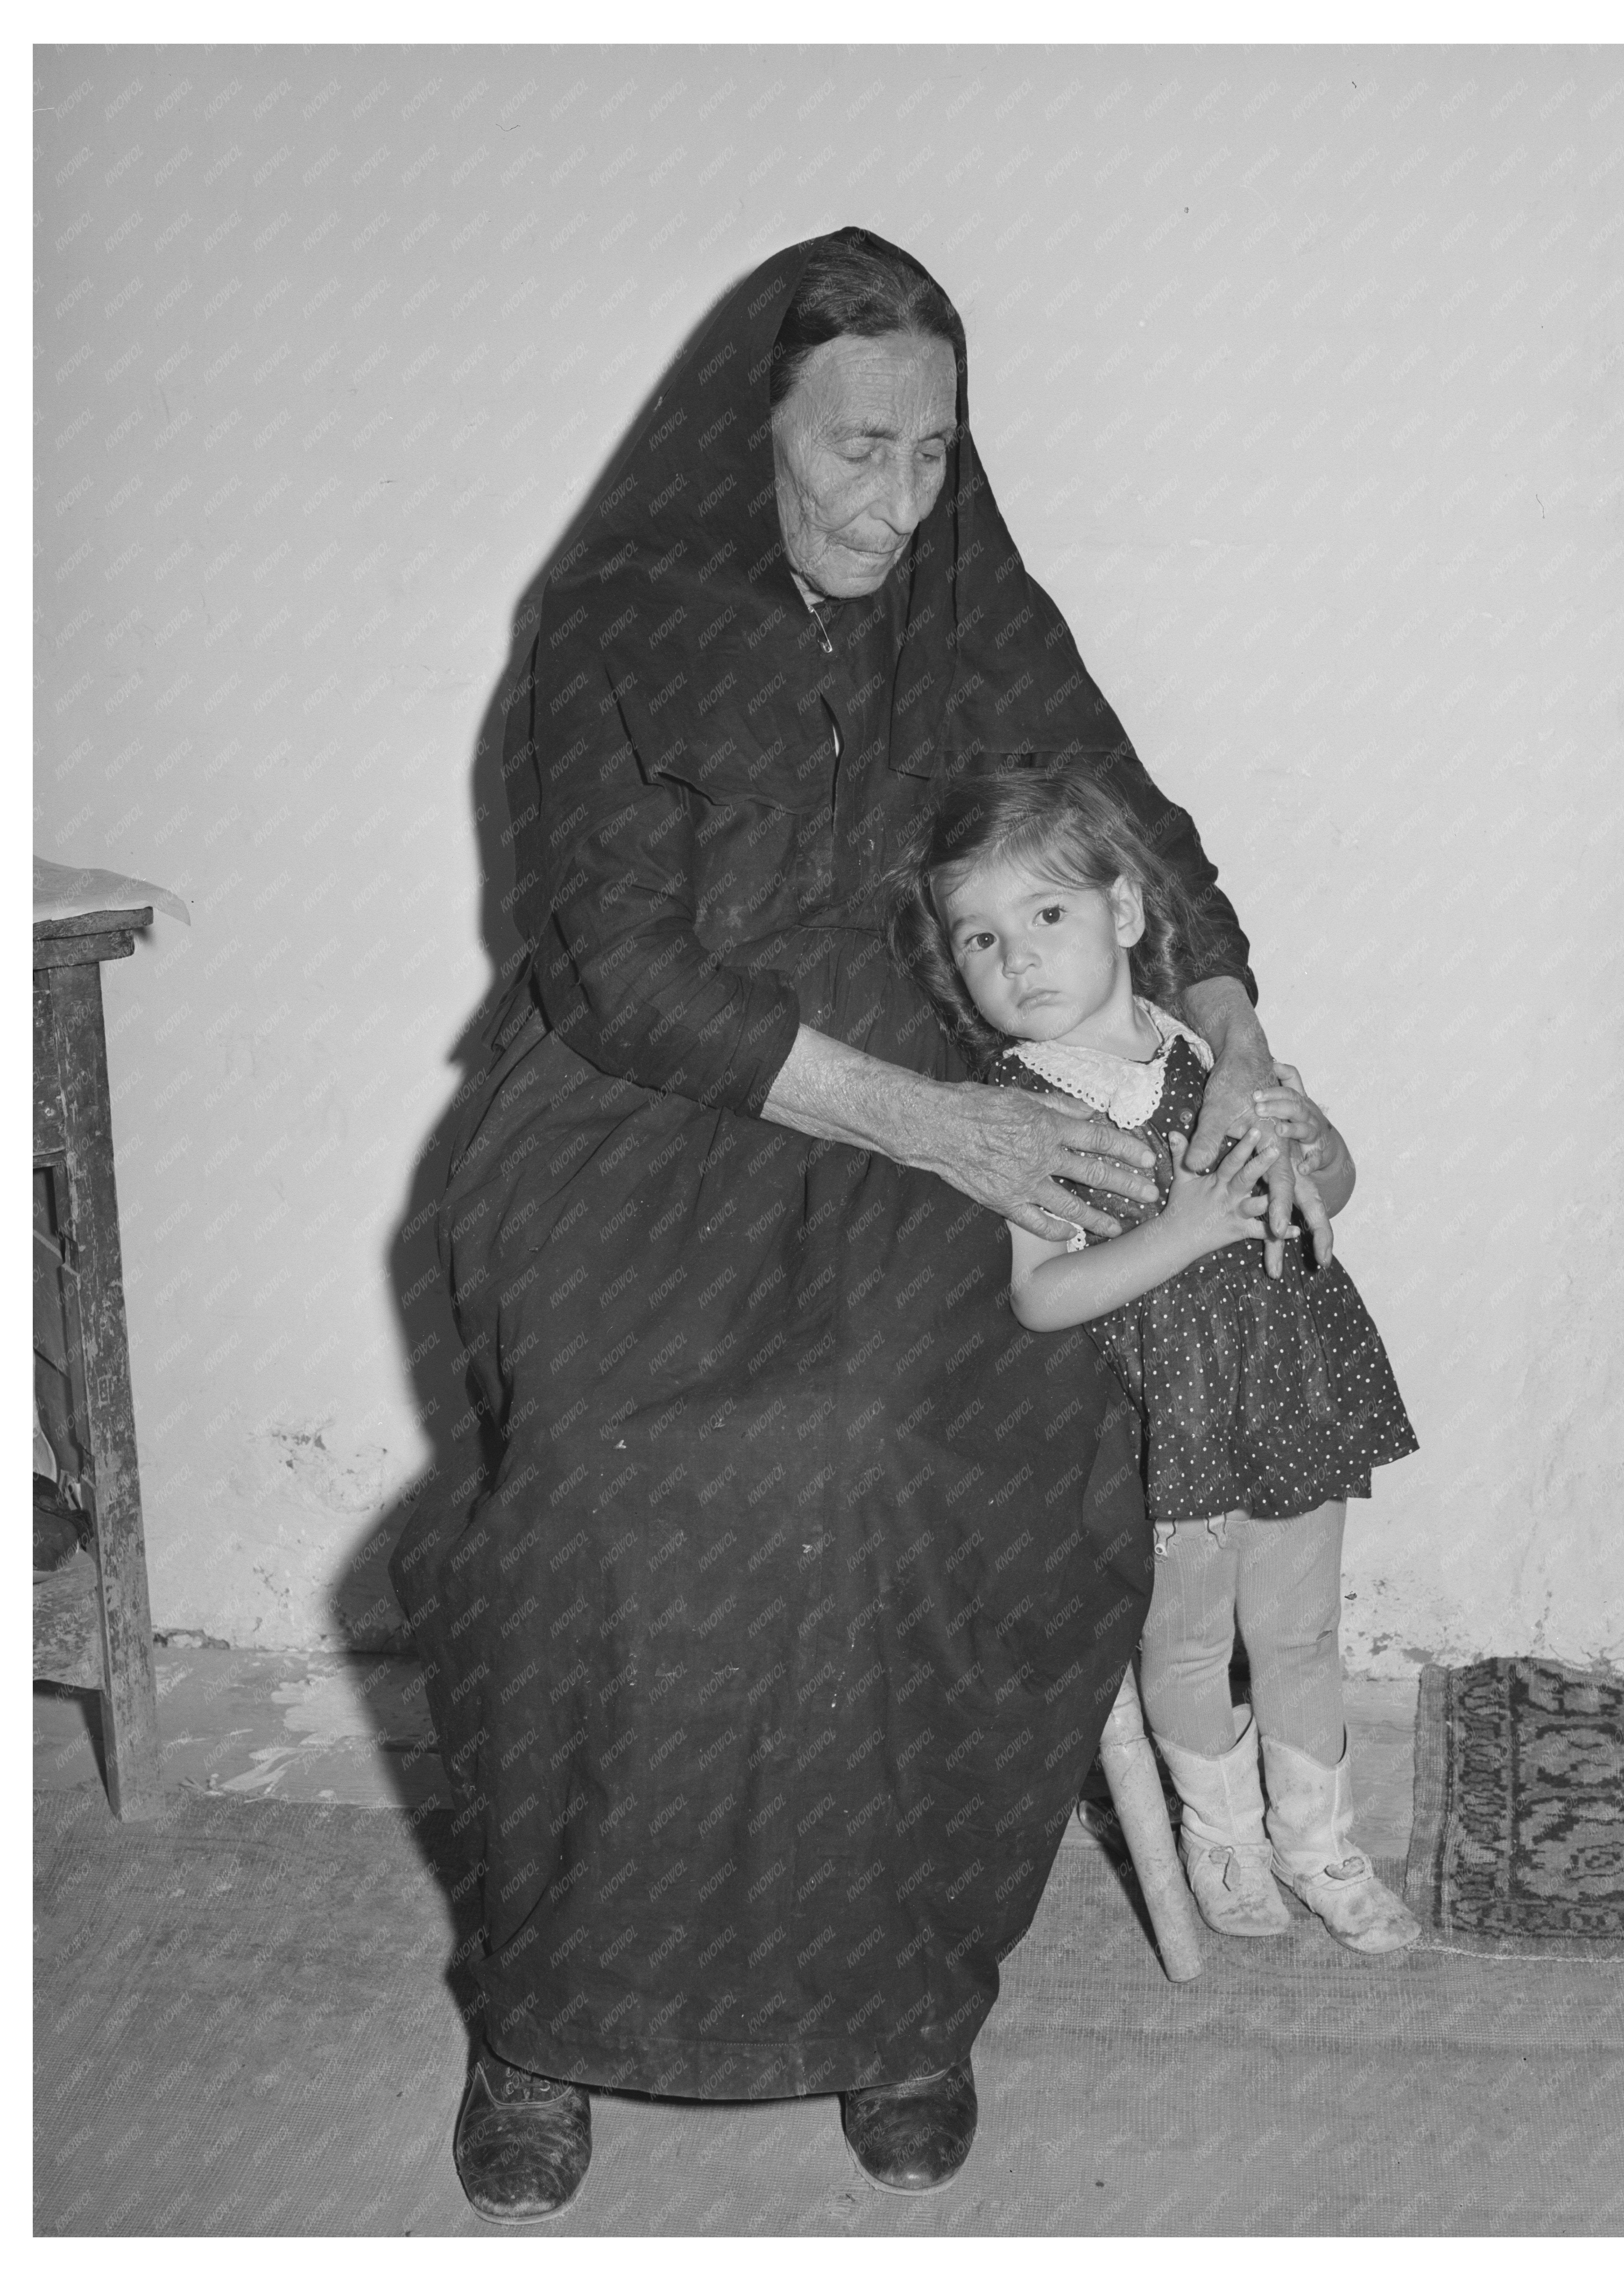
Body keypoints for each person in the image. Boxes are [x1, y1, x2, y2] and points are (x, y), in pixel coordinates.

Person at [392, 227, 1297, 2223]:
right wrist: (939, 1128)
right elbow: (615, 968)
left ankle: (898, 1992)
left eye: (935, 455)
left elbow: (1127, 817)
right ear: (755, 432)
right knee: (628, 1497)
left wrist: (1231, 1024)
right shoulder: (618, 614)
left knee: (925, 1448)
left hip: (945, 1090)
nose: (897, 502)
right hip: (644, 1117)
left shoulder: (970, 597)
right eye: (855, 452)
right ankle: (541, 2015)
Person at [886, 762, 1422, 1955]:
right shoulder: (1022, 1110)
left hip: (1289, 1378)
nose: (1017, 959)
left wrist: (1315, 1145)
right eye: (981, 938)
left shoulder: (1205, 1052)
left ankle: (1319, 1844)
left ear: (1123, 915)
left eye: (1048, 917)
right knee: (1184, 1641)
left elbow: (1327, 1189)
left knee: (1296, 1634)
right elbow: (1039, 1296)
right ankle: (1222, 1838)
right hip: (1162, 1417)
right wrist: (1182, 1231)